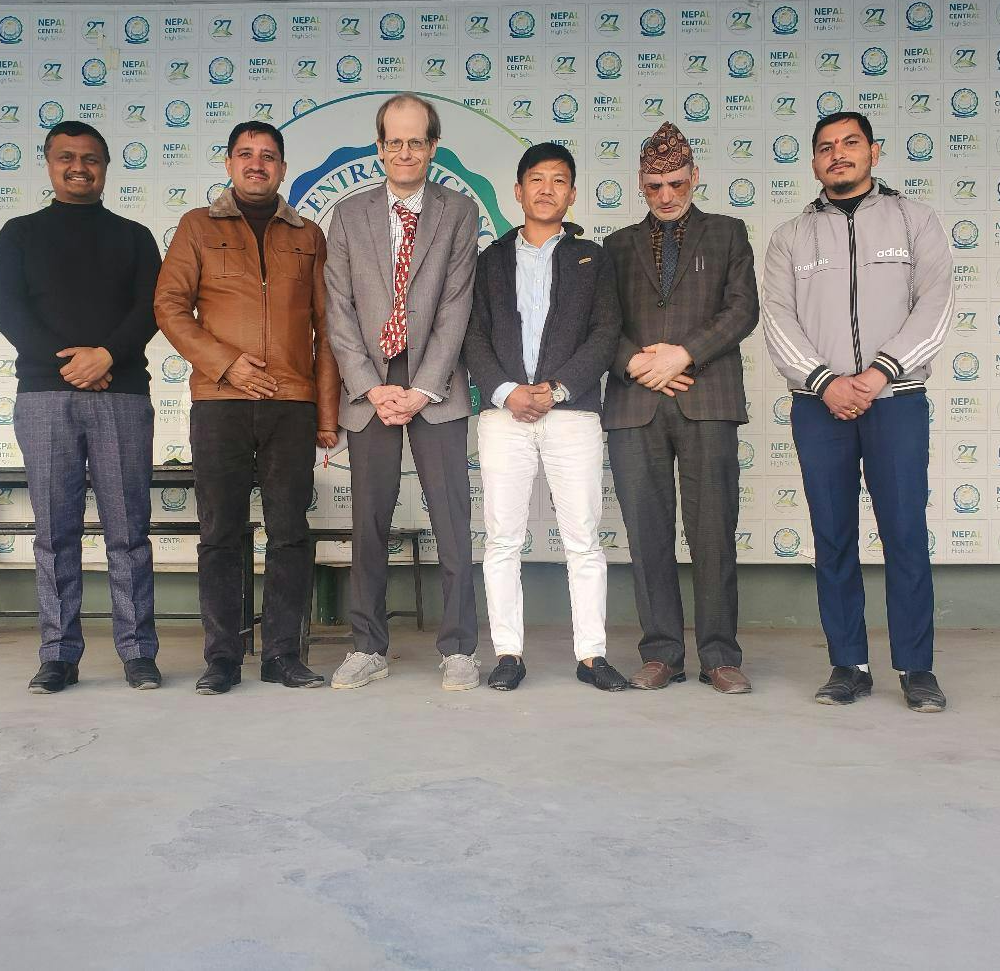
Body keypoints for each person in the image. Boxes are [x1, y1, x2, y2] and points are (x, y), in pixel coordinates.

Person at [761, 111, 953, 713]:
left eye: (849, 144)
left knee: (904, 535)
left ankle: (916, 669)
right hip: (819, 407)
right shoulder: (791, 236)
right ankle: (848, 663)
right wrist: (825, 383)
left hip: (895, 401)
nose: (837, 155)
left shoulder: (914, 220)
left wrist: (878, 374)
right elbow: (779, 319)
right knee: (834, 537)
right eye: (825, 148)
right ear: (814, 161)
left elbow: (936, 305)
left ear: (874, 150)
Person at [155, 121, 340, 694]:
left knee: (289, 533)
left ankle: (284, 654)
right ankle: (223, 658)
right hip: (220, 400)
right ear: (229, 163)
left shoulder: (307, 234)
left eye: (268, 156)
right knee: (220, 534)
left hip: (291, 403)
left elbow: (327, 329)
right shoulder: (197, 227)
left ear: (283, 168)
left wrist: (327, 414)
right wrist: (224, 362)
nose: (257, 164)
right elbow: (169, 305)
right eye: (246, 154)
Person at [0, 120, 162, 693]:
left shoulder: (135, 236)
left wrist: (106, 354)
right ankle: (58, 654)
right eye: (66, 158)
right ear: (49, 164)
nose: (78, 167)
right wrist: (71, 364)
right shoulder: (19, 233)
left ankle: (138, 651)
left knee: (128, 531)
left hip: (122, 397)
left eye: (90, 158)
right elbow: (6, 309)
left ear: (106, 167)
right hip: (44, 396)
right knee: (54, 532)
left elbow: (151, 309)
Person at [322, 93, 480, 691]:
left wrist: (422, 387)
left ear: (433, 147)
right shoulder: (348, 214)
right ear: (379, 147)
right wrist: (370, 386)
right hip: (370, 388)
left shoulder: (458, 213)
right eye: (395, 141)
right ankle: (368, 646)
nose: (406, 151)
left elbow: (456, 306)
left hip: (434, 386)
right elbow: (337, 311)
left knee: (451, 520)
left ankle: (459, 647)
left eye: (417, 141)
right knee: (369, 522)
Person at [603, 121, 760, 694]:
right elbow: (603, 325)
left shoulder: (727, 233)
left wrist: (684, 355)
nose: (666, 195)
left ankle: (720, 655)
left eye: (675, 182)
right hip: (633, 404)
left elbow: (742, 311)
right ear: (640, 185)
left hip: (707, 399)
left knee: (713, 532)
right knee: (647, 534)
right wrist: (637, 364)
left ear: (695, 177)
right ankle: (661, 653)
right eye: (653, 185)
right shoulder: (616, 246)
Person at [463, 142, 624, 692]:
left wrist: (555, 390)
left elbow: (606, 334)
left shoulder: (593, 259)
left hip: (572, 412)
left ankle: (592, 656)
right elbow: (473, 335)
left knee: (582, 538)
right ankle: (508, 653)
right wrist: (508, 391)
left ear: (572, 194)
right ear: (518, 191)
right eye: (536, 179)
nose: (547, 189)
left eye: (559, 180)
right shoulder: (489, 261)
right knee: (503, 539)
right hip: (504, 414)